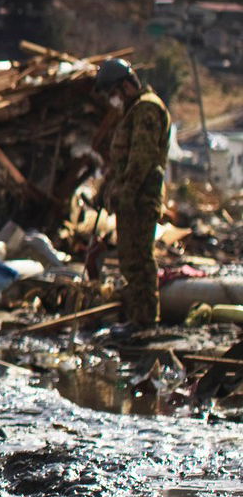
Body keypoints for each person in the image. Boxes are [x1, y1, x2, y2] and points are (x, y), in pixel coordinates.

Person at [99, 58, 170, 330]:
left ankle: (144, 321)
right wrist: (108, 187)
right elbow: (122, 159)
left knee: (139, 261)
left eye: (114, 93)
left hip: (140, 199)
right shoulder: (134, 110)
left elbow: (141, 159)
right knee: (130, 260)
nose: (113, 99)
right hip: (131, 198)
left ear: (126, 86)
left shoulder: (146, 109)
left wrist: (126, 193)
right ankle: (137, 318)